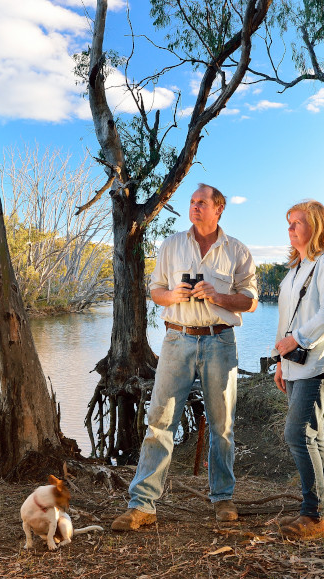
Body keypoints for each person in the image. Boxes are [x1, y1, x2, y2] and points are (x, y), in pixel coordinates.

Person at [111, 183, 257, 531]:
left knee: (222, 425)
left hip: (219, 342)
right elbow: (155, 291)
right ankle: (142, 504)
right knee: (160, 421)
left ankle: (223, 498)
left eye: (202, 203)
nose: (195, 207)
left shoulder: (237, 250)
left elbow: (250, 300)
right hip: (177, 340)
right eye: (192, 202)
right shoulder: (172, 245)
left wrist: (220, 297)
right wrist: (172, 295)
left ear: (219, 208)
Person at [272, 200, 324, 541]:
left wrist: (298, 340)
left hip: (322, 362)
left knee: (297, 434)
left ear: (315, 226)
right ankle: (322, 515)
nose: (290, 229)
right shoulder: (294, 270)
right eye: (288, 223)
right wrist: (281, 361)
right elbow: (287, 322)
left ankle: (315, 514)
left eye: (297, 223)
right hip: (297, 366)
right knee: (311, 436)